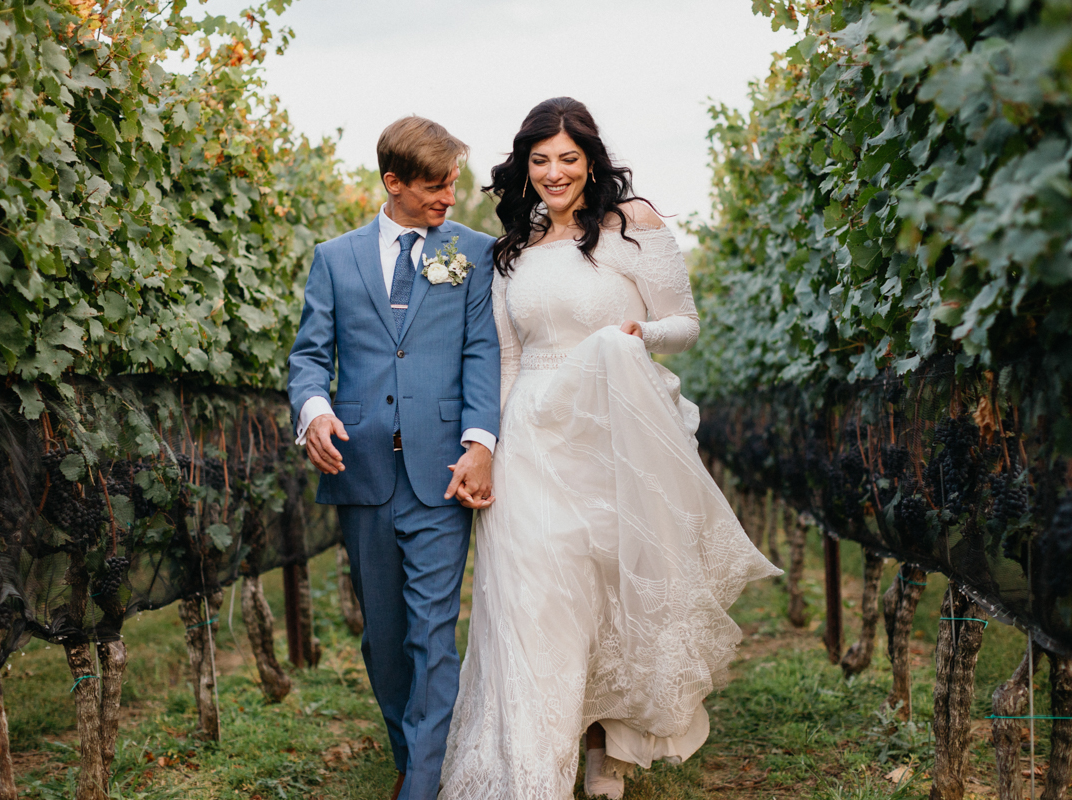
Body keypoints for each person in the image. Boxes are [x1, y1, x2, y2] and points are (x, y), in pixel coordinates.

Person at [439, 97, 781, 800]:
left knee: (611, 591)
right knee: (536, 596)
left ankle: (611, 747)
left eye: (568, 158)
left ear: (590, 160)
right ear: (525, 168)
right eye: (541, 161)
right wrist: (491, 447)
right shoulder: (514, 248)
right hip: (533, 431)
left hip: (613, 427)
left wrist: (639, 337)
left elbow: (683, 323)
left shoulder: (635, 226)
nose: (555, 173)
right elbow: (506, 358)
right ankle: (532, 765)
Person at [287, 116, 500, 800]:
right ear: (393, 183)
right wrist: (314, 412)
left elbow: (481, 354)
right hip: (362, 469)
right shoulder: (335, 257)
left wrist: (480, 442)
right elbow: (310, 358)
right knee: (385, 636)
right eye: (435, 188)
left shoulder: (475, 252)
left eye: (452, 186)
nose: (448, 199)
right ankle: (413, 754)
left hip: (442, 470)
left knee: (434, 632)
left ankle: (422, 786)